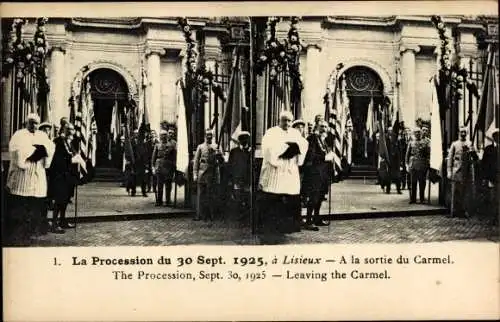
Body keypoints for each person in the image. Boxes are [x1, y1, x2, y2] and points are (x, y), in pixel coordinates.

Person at [4, 113, 55, 244]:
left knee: (34, 205)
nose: (34, 125)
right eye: (31, 122)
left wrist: (40, 151)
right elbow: (17, 150)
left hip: (37, 172)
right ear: (26, 122)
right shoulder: (19, 135)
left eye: (36, 123)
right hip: (23, 174)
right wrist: (35, 151)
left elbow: (49, 148)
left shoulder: (42, 135)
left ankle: (31, 231)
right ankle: (18, 234)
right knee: (21, 205)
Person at [258, 111, 308, 234]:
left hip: (289, 169)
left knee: (290, 198)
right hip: (276, 169)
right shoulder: (272, 132)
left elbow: (303, 144)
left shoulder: (295, 133)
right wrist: (287, 148)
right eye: (284, 120)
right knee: (274, 198)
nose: (287, 123)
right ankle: (272, 226)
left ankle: (289, 226)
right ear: (279, 120)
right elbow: (268, 148)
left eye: (289, 121)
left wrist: (292, 148)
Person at [48, 123, 83, 233]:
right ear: (64, 130)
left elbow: (73, 154)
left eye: (72, 130)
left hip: (68, 176)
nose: (71, 132)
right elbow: (58, 159)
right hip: (59, 175)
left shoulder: (70, 142)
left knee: (65, 200)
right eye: (69, 130)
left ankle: (62, 220)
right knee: (59, 200)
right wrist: (71, 160)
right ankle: (54, 223)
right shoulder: (58, 141)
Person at [302, 120, 333, 231]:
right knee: (313, 198)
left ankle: (316, 218)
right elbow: (311, 155)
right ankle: (308, 221)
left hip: (323, 173)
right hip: (314, 173)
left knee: (320, 197)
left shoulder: (324, 141)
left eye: (325, 127)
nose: (323, 129)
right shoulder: (312, 139)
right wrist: (324, 158)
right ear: (316, 127)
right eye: (321, 126)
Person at [193, 129, 224, 221]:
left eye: (210, 135)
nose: (209, 136)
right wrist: (195, 173)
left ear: (213, 136)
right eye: (207, 135)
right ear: (205, 136)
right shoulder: (200, 147)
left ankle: (211, 215)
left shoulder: (217, 147)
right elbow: (196, 161)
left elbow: (221, 161)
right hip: (202, 172)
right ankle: (199, 215)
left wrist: (219, 154)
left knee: (211, 195)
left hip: (212, 172)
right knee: (201, 195)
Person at [447, 126, 472, 217]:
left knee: (465, 192)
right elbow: (450, 159)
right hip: (456, 171)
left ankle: (464, 211)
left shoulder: (470, 144)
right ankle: (453, 211)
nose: (463, 134)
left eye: (465, 132)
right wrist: (449, 171)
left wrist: (471, 151)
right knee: (454, 192)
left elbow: (474, 157)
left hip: (466, 171)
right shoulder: (454, 144)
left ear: (467, 133)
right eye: (461, 132)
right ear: (459, 133)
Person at [227, 131, 252, 221]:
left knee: (247, 197)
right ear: (239, 140)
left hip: (247, 180)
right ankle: (238, 216)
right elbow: (230, 166)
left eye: (246, 139)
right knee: (238, 198)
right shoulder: (234, 152)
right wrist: (230, 179)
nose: (244, 141)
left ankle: (246, 217)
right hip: (237, 179)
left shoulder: (251, 152)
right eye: (242, 139)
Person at [152, 128, 177, 206]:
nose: (163, 137)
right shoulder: (157, 145)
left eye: (165, 135)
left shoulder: (171, 146)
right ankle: (159, 201)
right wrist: (153, 167)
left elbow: (174, 158)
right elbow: (154, 157)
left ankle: (168, 200)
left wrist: (174, 167)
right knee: (159, 185)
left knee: (168, 185)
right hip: (159, 167)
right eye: (162, 135)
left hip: (168, 167)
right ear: (160, 136)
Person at [405, 127, 430, 204]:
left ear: (421, 133)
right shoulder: (411, 143)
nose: (417, 134)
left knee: (422, 182)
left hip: (422, 164)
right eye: (416, 132)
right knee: (413, 182)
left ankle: (422, 198)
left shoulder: (425, 143)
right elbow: (407, 154)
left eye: (419, 132)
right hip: (413, 164)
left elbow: (428, 154)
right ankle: (413, 199)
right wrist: (406, 164)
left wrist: (427, 163)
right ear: (414, 134)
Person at [38, 122, 54, 235]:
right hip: (40, 171)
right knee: (41, 199)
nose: (46, 132)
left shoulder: (50, 142)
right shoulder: (38, 142)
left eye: (48, 130)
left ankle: (45, 222)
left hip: (49, 173)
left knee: (47, 199)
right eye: (44, 130)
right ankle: (41, 223)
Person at [480, 128, 498, 222]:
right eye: (496, 136)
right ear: (493, 137)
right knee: (492, 198)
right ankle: (493, 217)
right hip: (492, 178)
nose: (497, 138)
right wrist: (484, 177)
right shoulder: (488, 149)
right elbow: (484, 164)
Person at [379, 126, 402, 194]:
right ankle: (388, 189)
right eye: (389, 130)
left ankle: (398, 189)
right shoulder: (385, 139)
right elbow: (384, 149)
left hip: (395, 160)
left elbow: (399, 149)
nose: (390, 131)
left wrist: (399, 159)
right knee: (388, 176)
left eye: (391, 130)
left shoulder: (396, 138)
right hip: (388, 160)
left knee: (397, 176)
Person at [130, 129, 148, 197]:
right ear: (133, 134)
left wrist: (145, 162)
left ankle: (144, 192)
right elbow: (130, 151)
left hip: (141, 162)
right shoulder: (131, 141)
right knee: (133, 177)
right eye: (135, 133)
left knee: (143, 178)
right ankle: (133, 191)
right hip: (134, 161)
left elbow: (145, 151)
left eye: (137, 133)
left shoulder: (142, 141)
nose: (136, 134)